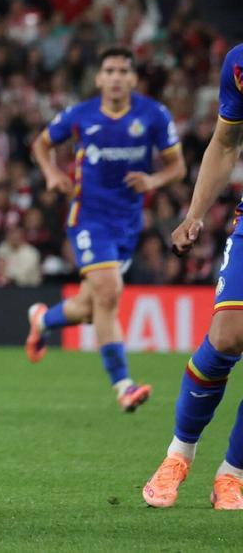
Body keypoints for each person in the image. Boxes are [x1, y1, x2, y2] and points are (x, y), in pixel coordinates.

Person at [24, 47, 185, 411]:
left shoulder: (154, 116)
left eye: (122, 71)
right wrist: (52, 174)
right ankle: (123, 385)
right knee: (109, 292)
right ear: (99, 79)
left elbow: (178, 167)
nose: (115, 77)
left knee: (89, 305)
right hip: (89, 219)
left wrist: (153, 179)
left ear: (132, 78)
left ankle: (43, 319)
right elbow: (41, 144)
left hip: (127, 225)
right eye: (109, 70)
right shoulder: (81, 115)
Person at [142, 44, 243, 510]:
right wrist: (196, 214)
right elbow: (225, 142)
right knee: (227, 336)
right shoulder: (239, 63)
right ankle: (179, 455)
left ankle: (233, 474)